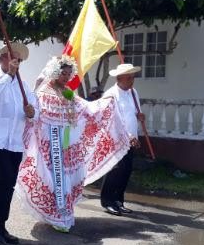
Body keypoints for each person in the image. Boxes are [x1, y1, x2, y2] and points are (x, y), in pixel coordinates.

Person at [16, 56, 132, 232]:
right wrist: (32, 114)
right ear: (55, 72)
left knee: (67, 180)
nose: (66, 77)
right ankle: (58, 215)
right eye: (63, 73)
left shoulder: (68, 93)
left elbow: (86, 108)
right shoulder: (43, 94)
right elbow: (36, 117)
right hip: (51, 144)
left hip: (68, 144)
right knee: (55, 181)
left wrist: (105, 104)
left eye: (69, 74)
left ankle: (63, 214)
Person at [0, 43, 37, 245]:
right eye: (14, 59)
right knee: (5, 179)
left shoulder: (23, 85)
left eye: (19, 60)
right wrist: (9, 76)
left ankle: (0, 226)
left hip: (14, 141)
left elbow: (32, 109)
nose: (17, 63)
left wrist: (31, 112)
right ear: (2, 59)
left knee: (9, 183)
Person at [100, 63, 145, 216]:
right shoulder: (111, 94)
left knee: (126, 171)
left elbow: (135, 113)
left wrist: (140, 116)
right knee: (115, 170)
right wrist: (126, 134)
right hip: (116, 138)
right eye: (127, 79)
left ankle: (119, 201)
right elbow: (111, 120)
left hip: (131, 139)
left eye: (132, 78)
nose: (131, 82)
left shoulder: (133, 92)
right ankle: (108, 202)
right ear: (119, 78)